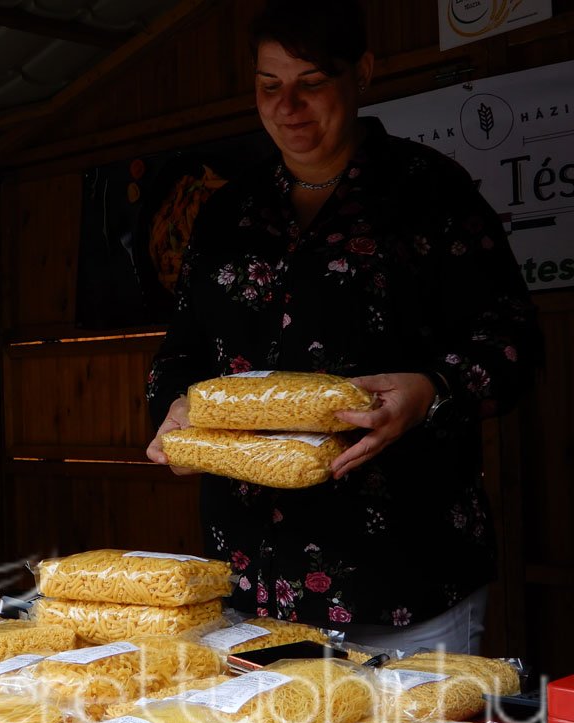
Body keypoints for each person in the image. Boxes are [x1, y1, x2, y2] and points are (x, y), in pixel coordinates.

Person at [145, 0, 542, 654]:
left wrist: (433, 390)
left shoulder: (429, 192)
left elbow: (512, 337)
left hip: (405, 569)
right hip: (254, 580)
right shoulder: (227, 213)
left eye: (312, 82)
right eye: (269, 86)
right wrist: (176, 408)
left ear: (361, 72)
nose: (287, 106)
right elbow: (182, 348)